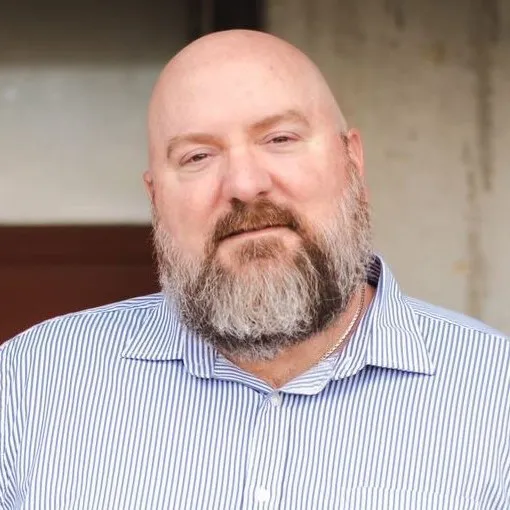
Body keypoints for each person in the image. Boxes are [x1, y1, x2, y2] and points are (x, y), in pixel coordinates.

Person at [1, 29, 508, 510]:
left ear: (352, 161)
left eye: (280, 138)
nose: (244, 184)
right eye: (198, 156)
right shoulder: (30, 384)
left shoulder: (496, 395)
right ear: (155, 199)